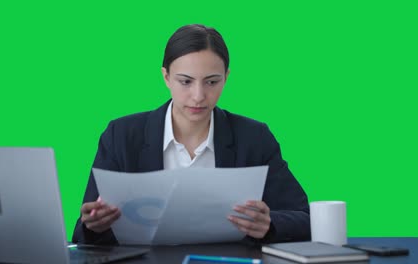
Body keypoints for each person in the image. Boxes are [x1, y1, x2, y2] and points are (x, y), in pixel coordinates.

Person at [72, 24, 310, 245]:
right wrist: (94, 225)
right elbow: (82, 233)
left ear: (226, 77)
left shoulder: (254, 138)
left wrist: (269, 225)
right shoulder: (121, 135)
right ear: (166, 77)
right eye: (185, 81)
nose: (198, 96)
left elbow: (305, 218)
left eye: (212, 82)